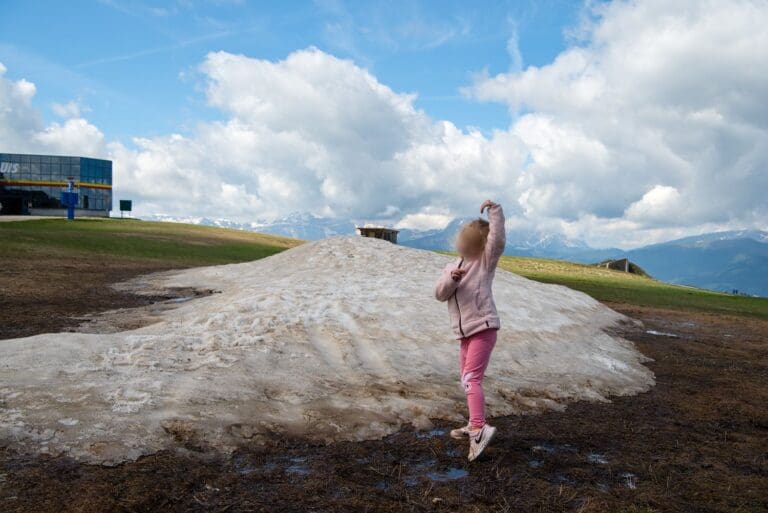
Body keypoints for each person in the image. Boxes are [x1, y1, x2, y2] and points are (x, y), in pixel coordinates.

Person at [434, 199, 505, 461]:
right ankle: (474, 422)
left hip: (483, 328)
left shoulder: (485, 261)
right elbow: (439, 294)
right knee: (467, 379)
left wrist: (494, 211)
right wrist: (450, 280)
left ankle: (478, 429)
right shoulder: (453, 265)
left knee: (470, 379)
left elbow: (497, 240)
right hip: (464, 334)